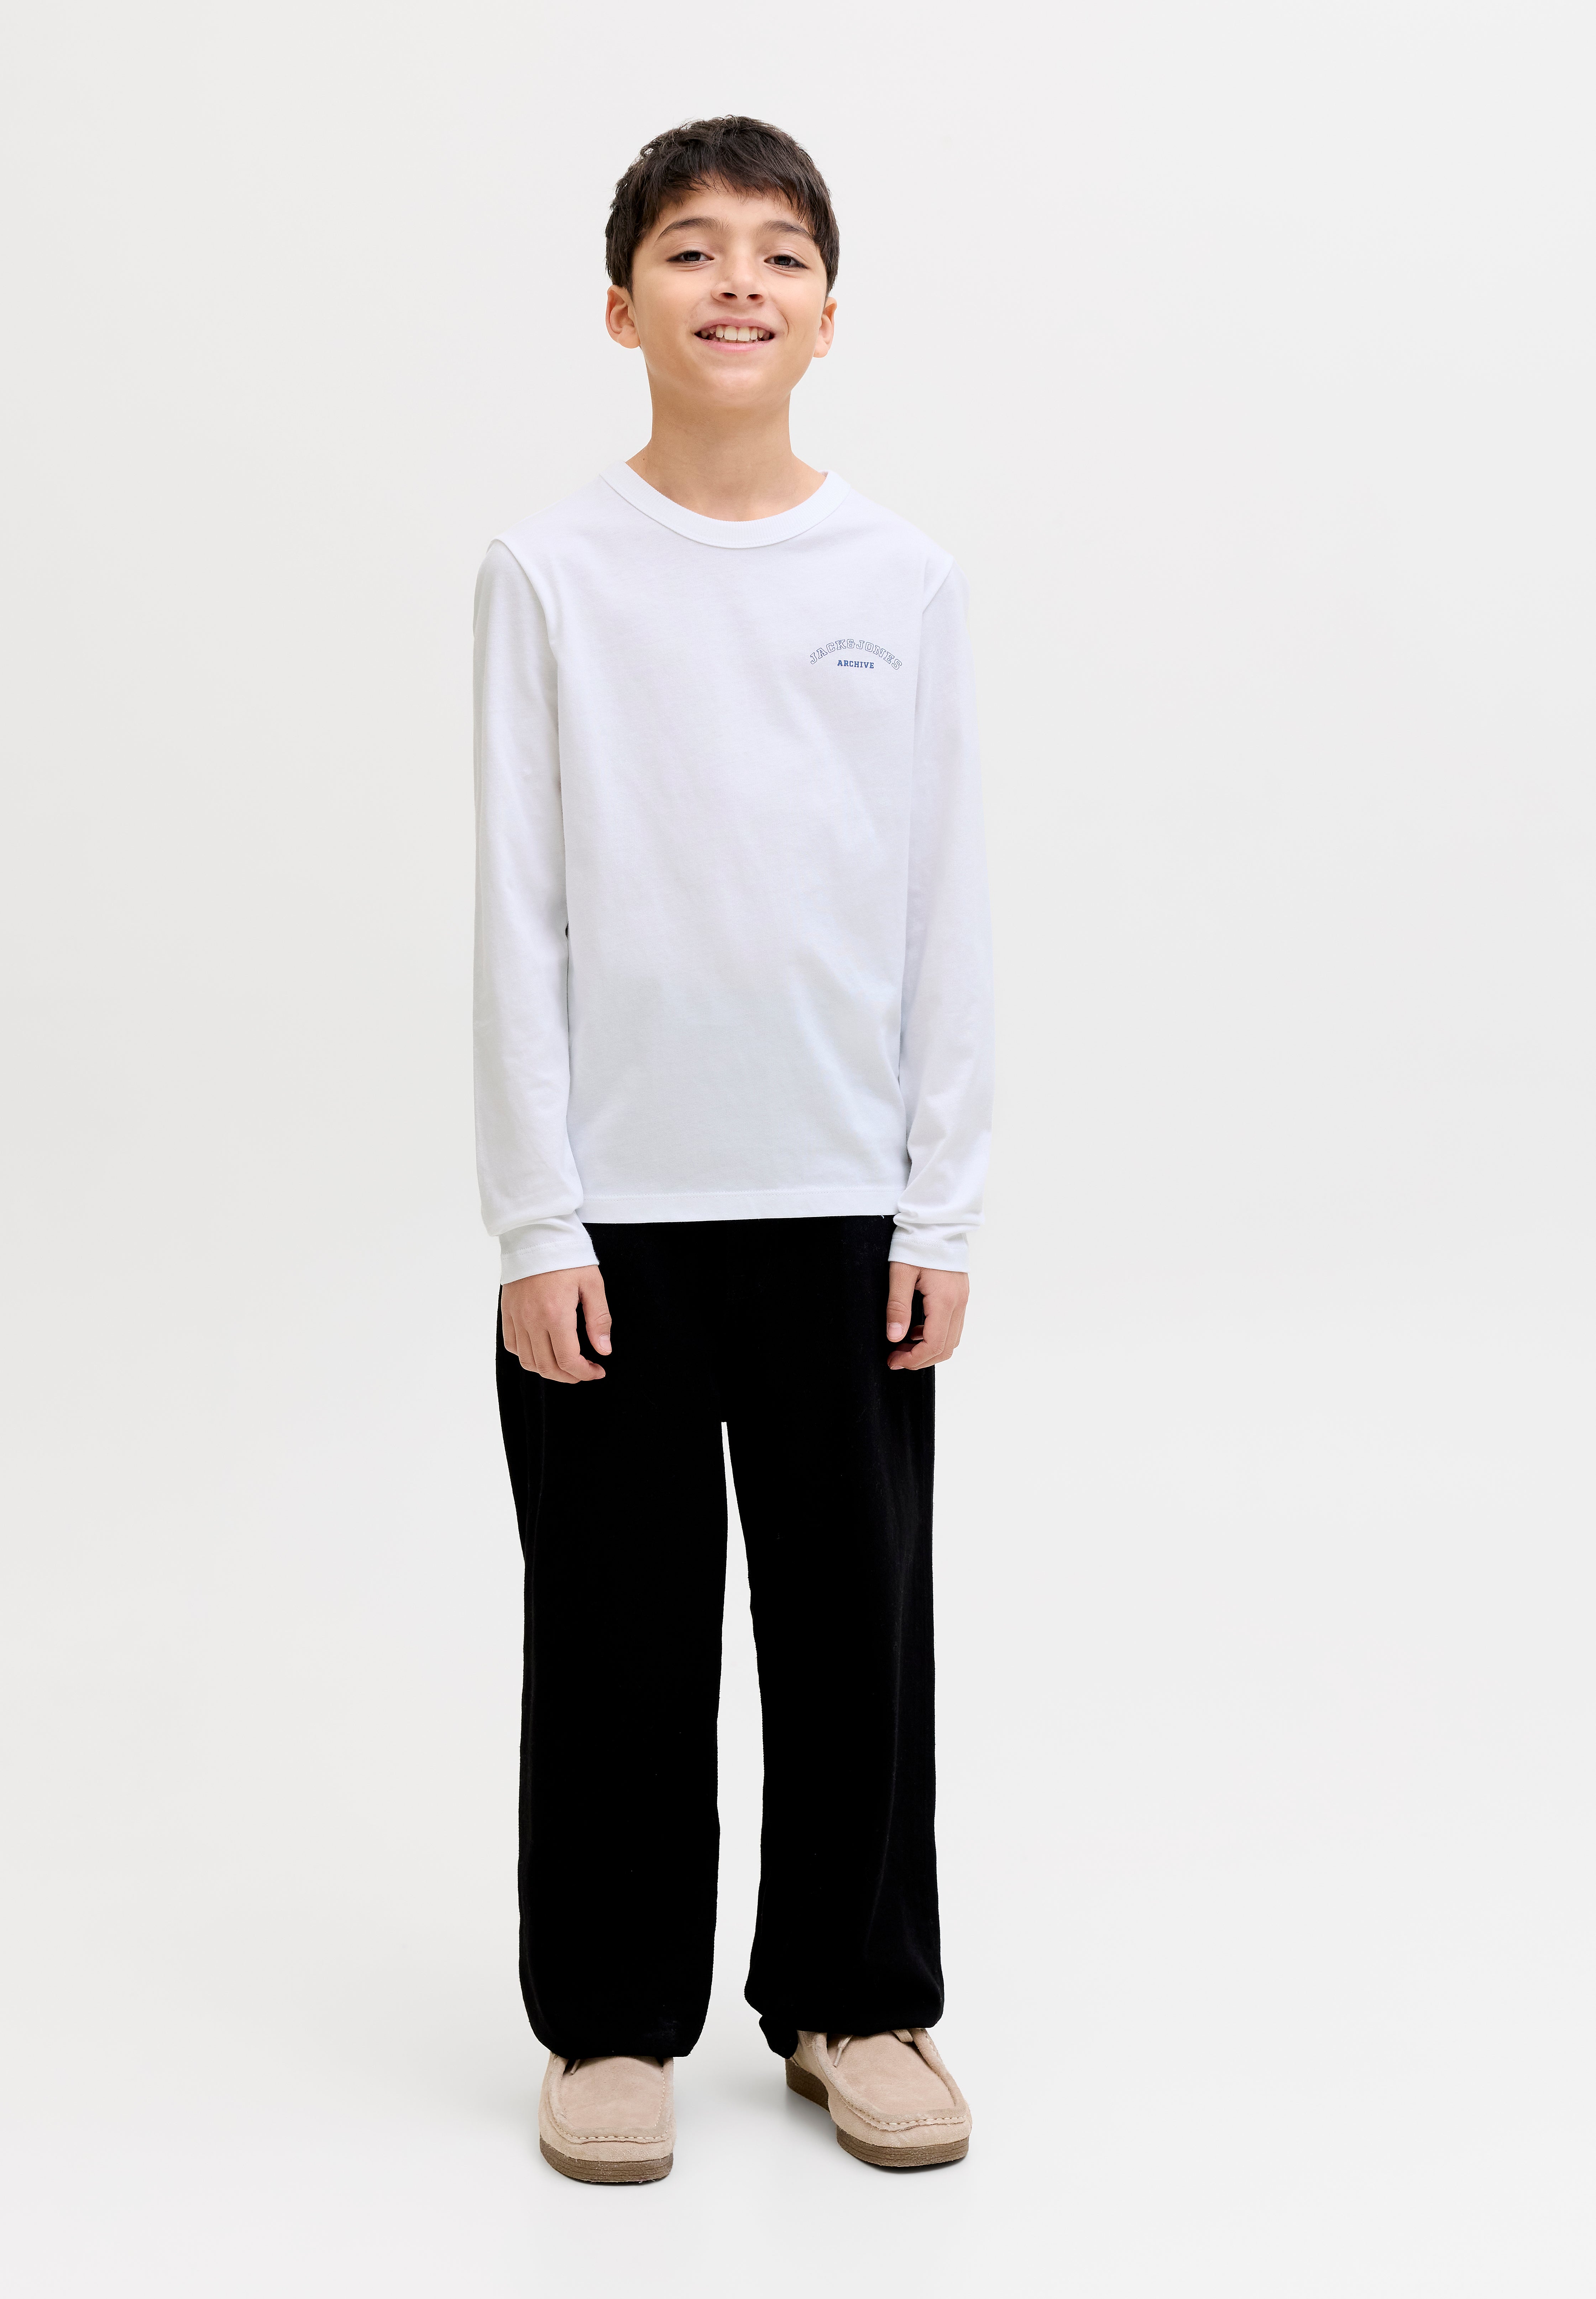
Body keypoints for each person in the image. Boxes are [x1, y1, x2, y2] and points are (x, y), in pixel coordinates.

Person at [473, 115, 994, 2183]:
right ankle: (611, 2022)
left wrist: (941, 1195)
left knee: (857, 1624)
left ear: (829, 315)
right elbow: (520, 909)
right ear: (624, 308)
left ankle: (854, 1999)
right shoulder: (550, 572)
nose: (738, 284)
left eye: (779, 253)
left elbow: (942, 906)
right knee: (618, 1626)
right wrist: (536, 1215)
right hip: (617, 1207)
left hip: (844, 1197)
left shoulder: (901, 579)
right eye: (692, 251)